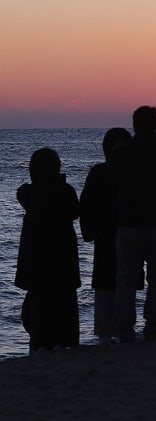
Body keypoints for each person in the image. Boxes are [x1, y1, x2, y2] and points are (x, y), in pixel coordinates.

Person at [111, 106, 156, 342]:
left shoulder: (121, 156)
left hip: (129, 224)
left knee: (126, 278)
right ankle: (152, 324)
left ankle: (125, 329)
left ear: (134, 125)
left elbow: (114, 174)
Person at [15, 148, 81, 354]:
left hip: (37, 261)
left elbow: (27, 194)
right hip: (63, 259)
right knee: (64, 302)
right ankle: (64, 341)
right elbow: (74, 211)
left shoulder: (28, 193)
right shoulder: (66, 192)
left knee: (39, 304)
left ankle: (40, 343)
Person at [79, 127, 133, 345]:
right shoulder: (102, 173)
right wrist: (89, 230)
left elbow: (86, 205)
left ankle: (119, 329)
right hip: (109, 233)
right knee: (109, 282)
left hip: (124, 232)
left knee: (122, 280)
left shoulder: (105, 173)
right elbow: (87, 205)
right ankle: (108, 332)